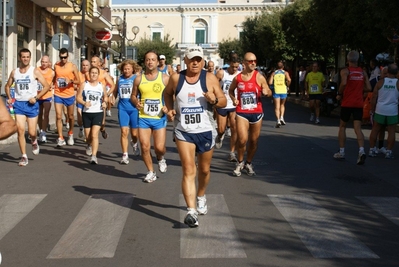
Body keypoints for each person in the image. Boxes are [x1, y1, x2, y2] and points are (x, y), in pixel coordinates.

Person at [163, 46, 227, 228]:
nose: (195, 62)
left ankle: (201, 195)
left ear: (203, 61)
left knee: (204, 170)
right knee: (188, 170)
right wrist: (170, 109)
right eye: (192, 59)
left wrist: (213, 100)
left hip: (206, 130)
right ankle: (191, 211)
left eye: (198, 59)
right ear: (185, 60)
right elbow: (167, 94)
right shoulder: (177, 78)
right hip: (184, 131)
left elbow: (223, 101)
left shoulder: (209, 78)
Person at [4, 48, 50, 166]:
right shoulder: (15, 72)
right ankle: (24, 156)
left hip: (31, 104)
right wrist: (9, 97)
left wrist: (37, 97)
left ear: (30, 58)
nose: (25, 59)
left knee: (32, 132)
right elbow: (7, 86)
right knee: (20, 130)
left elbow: (46, 86)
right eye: (23, 57)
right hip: (19, 104)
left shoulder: (34, 71)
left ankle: (34, 140)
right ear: (20, 58)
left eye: (27, 57)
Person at [229, 52, 271, 176]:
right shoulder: (238, 78)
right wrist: (233, 99)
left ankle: (248, 162)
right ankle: (240, 162)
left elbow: (268, 91)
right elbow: (231, 90)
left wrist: (266, 91)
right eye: (250, 61)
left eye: (255, 61)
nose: (253, 63)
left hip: (256, 112)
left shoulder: (259, 76)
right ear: (244, 63)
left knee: (253, 141)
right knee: (242, 140)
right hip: (242, 112)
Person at [131, 51, 169, 183]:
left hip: (159, 118)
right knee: (145, 146)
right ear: (145, 62)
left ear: (158, 62)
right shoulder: (139, 79)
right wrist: (136, 102)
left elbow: (172, 97)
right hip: (143, 118)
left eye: (153, 59)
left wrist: (168, 108)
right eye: (148, 60)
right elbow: (133, 96)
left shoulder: (164, 78)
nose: (150, 62)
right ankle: (151, 171)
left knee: (159, 148)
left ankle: (160, 158)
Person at [333, 50, 372, 165]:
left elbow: (344, 83)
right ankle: (361, 151)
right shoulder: (362, 72)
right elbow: (369, 87)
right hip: (358, 103)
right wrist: (359, 89)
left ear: (347, 60)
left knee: (342, 126)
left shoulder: (345, 71)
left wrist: (339, 93)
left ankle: (342, 151)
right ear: (357, 60)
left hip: (347, 103)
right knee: (357, 128)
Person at [76, 66, 108, 164]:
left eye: (95, 73)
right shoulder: (84, 85)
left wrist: (105, 103)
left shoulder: (101, 85)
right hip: (87, 113)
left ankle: (94, 156)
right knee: (88, 136)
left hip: (98, 112)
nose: (94, 74)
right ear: (89, 74)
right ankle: (89, 145)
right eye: (92, 73)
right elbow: (78, 98)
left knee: (94, 135)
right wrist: (84, 103)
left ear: (98, 75)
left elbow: (105, 97)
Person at [368, 63, 399, 159]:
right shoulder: (398, 83)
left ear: (387, 72)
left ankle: (372, 149)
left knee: (375, 129)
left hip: (380, 109)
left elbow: (374, 97)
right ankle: (388, 151)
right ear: (397, 73)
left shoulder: (380, 82)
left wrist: (372, 109)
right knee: (391, 131)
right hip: (392, 110)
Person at [215, 56, 241, 162]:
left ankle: (232, 153)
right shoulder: (222, 73)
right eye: (233, 66)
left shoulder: (240, 75)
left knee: (234, 129)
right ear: (229, 63)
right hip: (222, 103)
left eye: (236, 67)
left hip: (234, 104)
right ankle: (220, 135)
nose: (235, 69)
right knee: (221, 129)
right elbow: (214, 85)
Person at [115, 59, 141, 165]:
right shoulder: (119, 79)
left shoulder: (137, 78)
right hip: (123, 108)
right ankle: (125, 155)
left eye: (128, 69)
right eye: (124, 69)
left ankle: (134, 143)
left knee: (134, 134)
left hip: (134, 108)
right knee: (124, 132)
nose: (126, 71)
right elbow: (115, 91)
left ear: (133, 69)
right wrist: (111, 98)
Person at [53, 48, 81, 147]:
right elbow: (54, 77)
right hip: (58, 94)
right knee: (58, 116)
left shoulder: (72, 67)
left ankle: (70, 133)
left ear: (67, 56)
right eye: (61, 57)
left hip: (69, 94)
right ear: (59, 57)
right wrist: (52, 84)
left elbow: (78, 81)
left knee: (71, 116)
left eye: (65, 57)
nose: (63, 59)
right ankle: (60, 137)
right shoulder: (56, 65)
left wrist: (71, 81)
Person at [89, 55, 115, 138]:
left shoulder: (104, 73)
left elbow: (112, 85)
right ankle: (91, 138)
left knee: (102, 122)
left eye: (94, 62)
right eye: (91, 61)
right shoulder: (88, 73)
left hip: (101, 100)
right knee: (90, 122)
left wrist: (106, 95)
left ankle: (102, 129)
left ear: (99, 63)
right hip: (90, 100)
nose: (92, 63)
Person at [36, 55, 55, 143]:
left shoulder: (52, 72)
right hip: (38, 95)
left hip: (47, 95)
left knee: (46, 114)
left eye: (46, 62)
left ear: (48, 63)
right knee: (39, 115)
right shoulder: (36, 70)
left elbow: (54, 81)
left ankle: (43, 132)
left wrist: (52, 85)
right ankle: (40, 130)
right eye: (43, 62)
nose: (44, 63)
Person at [268, 60, 291, 128]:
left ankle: (278, 120)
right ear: (283, 66)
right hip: (283, 90)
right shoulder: (285, 73)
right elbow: (289, 80)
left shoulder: (274, 73)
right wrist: (287, 85)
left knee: (277, 107)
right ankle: (282, 117)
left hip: (276, 91)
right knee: (282, 105)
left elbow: (270, 82)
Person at [76, 59, 90, 139]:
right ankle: (81, 127)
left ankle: (87, 135)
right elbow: (74, 84)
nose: (84, 67)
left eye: (86, 65)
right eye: (83, 65)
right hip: (80, 97)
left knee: (87, 116)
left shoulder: (91, 74)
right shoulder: (78, 74)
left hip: (88, 99)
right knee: (79, 116)